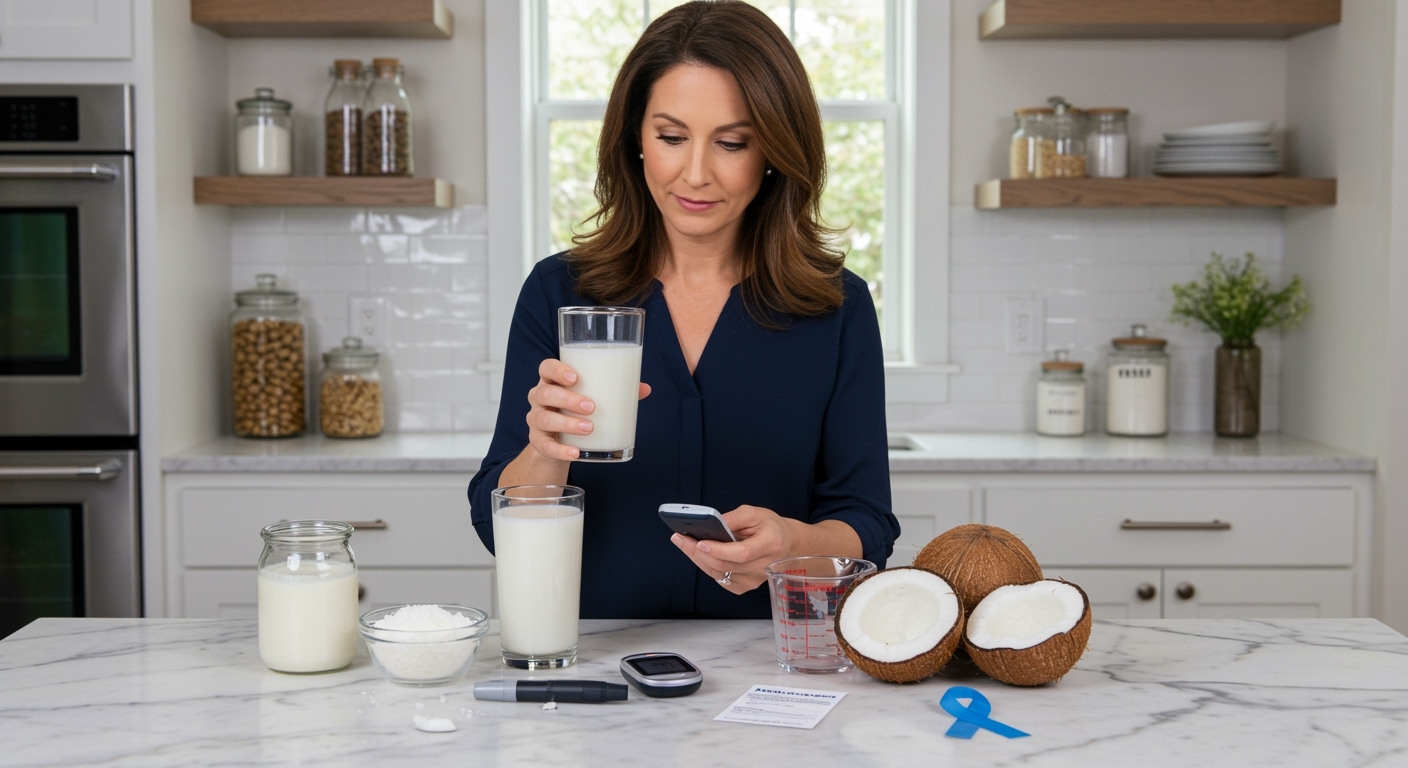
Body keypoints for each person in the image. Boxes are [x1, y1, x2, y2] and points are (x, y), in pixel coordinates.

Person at [467, 0, 897, 619]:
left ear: (773, 150)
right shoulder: (561, 292)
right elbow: (494, 524)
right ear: (635, 139)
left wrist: (794, 545)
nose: (695, 173)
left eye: (732, 143)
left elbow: (867, 525)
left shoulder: (836, 306)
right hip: (595, 660)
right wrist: (544, 449)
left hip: (773, 665)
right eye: (671, 137)